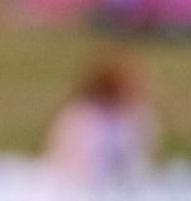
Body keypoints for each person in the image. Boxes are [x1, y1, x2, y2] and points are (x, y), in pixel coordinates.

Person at [43, 48, 159, 182]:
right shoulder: (80, 115)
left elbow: (148, 159)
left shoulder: (138, 116)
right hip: (81, 183)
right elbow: (61, 158)